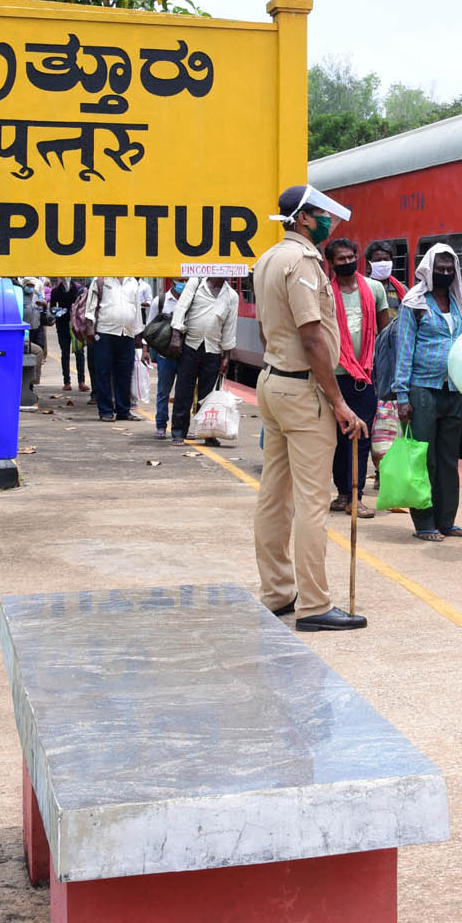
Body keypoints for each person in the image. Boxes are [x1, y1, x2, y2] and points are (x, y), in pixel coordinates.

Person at [251, 184, 369, 632]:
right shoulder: (301, 262)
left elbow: (267, 330)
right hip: (303, 393)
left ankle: (278, 592)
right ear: (303, 218)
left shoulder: (267, 259)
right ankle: (315, 605)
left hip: (272, 382)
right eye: (322, 215)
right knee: (313, 501)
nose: (329, 223)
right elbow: (313, 335)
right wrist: (337, 401)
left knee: (273, 495)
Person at [391, 243, 462, 541]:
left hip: (452, 390)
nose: (445, 274)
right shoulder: (415, 303)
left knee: (449, 459)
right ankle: (424, 523)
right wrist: (402, 395)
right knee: (424, 459)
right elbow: (405, 349)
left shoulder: (459, 303)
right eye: (440, 270)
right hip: (422, 389)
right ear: (428, 270)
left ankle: (446, 520)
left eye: (450, 270)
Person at [325, 238, 390, 517]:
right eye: (341, 259)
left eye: (351, 257)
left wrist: (386, 373)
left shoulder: (374, 289)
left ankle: (356, 495)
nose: (347, 262)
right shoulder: (325, 293)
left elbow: (385, 332)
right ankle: (342, 493)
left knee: (360, 438)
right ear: (332, 263)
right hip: (334, 376)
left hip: (365, 377)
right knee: (337, 440)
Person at [169, 274, 240, 444]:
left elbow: (230, 327)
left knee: (208, 396)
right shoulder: (196, 282)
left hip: (213, 350)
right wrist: (176, 335)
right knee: (183, 391)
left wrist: (226, 357)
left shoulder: (232, 296)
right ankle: (179, 431)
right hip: (190, 346)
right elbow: (181, 309)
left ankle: (208, 433)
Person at [87, 275, 149, 421]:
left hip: (127, 333)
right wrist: (90, 325)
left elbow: (137, 309)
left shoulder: (133, 282)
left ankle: (123, 410)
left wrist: (139, 336)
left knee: (125, 373)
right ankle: (106, 411)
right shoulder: (100, 280)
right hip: (104, 332)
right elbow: (90, 305)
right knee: (103, 372)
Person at [149, 277, 186, 437]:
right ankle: (161, 425)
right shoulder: (160, 301)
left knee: (184, 392)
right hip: (165, 355)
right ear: (172, 281)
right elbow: (149, 327)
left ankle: (183, 426)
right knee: (163, 391)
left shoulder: (191, 300)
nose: (183, 284)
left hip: (185, 354)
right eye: (180, 280)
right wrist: (145, 350)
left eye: (185, 280)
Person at [48, 278, 87, 391]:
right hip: (62, 325)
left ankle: (81, 381)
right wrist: (61, 312)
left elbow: (82, 305)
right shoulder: (55, 291)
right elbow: (52, 309)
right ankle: (67, 381)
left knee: (79, 352)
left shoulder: (78, 288)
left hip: (76, 325)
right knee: (65, 353)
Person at [365, 241, 408, 317]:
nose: (383, 263)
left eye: (386, 259)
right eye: (378, 260)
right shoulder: (363, 289)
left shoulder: (402, 289)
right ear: (368, 265)